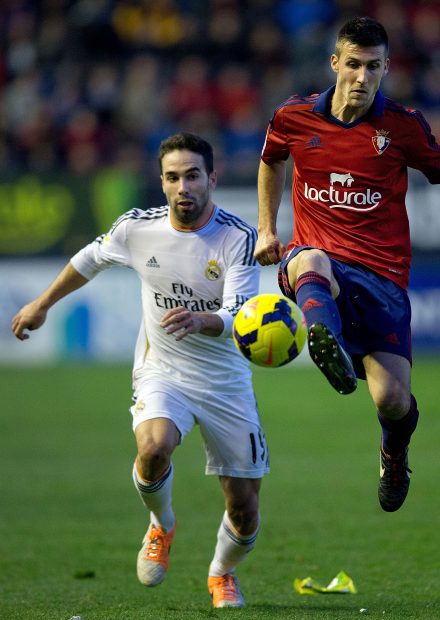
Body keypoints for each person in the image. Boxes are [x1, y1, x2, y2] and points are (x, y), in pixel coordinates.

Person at [254, 17, 440, 513]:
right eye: (352, 64)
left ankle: (393, 456)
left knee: (392, 402)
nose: (361, 76)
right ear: (335, 63)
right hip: (318, 260)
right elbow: (271, 160)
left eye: (373, 66)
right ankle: (323, 339)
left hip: (382, 278)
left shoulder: (401, 126)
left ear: (386, 68)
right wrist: (268, 229)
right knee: (308, 260)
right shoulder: (293, 116)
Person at [12, 132, 267, 608]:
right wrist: (42, 304)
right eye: (172, 177)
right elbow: (88, 260)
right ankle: (162, 524)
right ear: (162, 181)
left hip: (225, 383)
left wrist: (202, 319)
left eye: (192, 176)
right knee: (152, 449)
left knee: (245, 508)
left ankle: (221, 573)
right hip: (163, 370)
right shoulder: (136, 228)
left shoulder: (236, 236)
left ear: (211, 178)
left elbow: (239, 314)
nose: (182, 187)